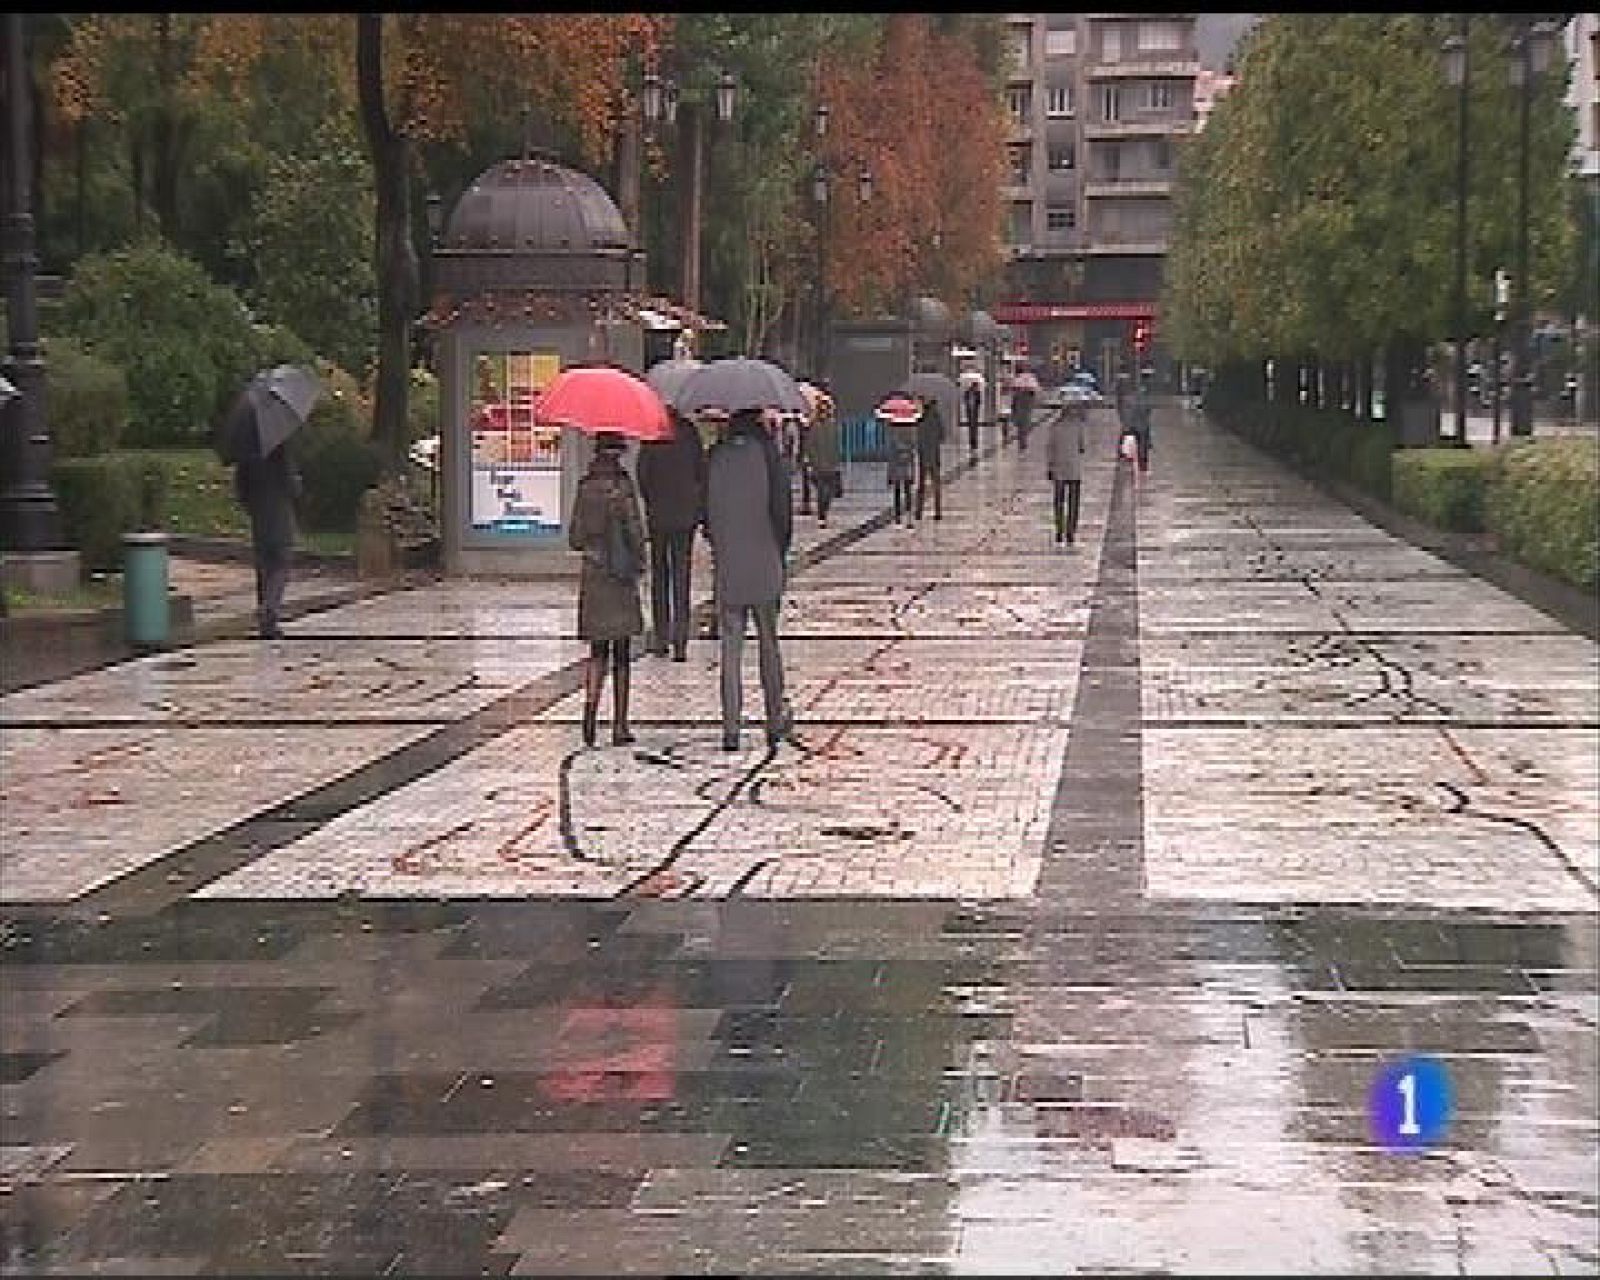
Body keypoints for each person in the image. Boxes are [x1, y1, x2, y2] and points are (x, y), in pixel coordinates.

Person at [705, 407, 794, 753]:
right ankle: (774, 717)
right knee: (769, 642)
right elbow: (782, 512)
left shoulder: (715, 458)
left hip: (729, 564)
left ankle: (731, 727)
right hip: (765, 559)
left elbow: (707, 515)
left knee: (730, 647)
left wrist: (721, 544)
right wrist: (778, 550)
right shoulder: (769, 457)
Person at [568, 432, 646, 747]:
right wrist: (640, 562)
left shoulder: (585, 487)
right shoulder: (622, 487)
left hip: (594, 574)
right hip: (619, 576)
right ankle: (620, 724)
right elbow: (635, 531)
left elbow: (575, 538)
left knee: (597, 650)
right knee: (622, 653)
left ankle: (590, 711)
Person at [636, 409, 706, 662]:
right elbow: (701, 473)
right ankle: (680, 640)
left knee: (660, 576)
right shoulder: (690, 433)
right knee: (681, 576)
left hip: (659, 516)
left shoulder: (653, 433)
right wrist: (696, 506)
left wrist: (653, 500)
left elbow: (643, 475)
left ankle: (661, 637)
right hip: (685, 517)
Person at [233, 440, 301, 640]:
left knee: (263, 568)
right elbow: (292, 487)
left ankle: (265, 623)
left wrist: (252, 506)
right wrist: (297, 482)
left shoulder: (246, 454)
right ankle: (269, 609)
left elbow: (241, 490)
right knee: (281, 564)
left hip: (259, 517)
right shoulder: (281, 450)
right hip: (280, 516)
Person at [1044, 389, 1088, 546]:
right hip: (1074, 469)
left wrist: (1050, 466)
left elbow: (1050, 448)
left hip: (1058, 469)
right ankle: (1071, 532)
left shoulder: (1054, 427)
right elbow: (1082, 447)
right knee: (1073, 502)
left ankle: (1059, 530)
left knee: (1058, 502)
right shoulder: (1079, 426)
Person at [805, 388, 842, 527]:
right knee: (822, 490)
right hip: (819, 465)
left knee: (829, 491)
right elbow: (810, 446)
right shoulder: (814, 426)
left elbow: (835, 445)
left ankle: (823, 512)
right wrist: (813, 462)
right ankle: (822, 516)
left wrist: (836, 461)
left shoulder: (832, 425)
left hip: (831, 464)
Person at [914, 393, 944, 522]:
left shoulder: (920, 419)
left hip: (924, 455)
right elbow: (942, 435)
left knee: (922, 485)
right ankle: (937, 511)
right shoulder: (936, 417)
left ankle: (919, 511)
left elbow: (917, 436)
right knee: (935, 484)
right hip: (934, 455)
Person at [886, 409, 917, 526]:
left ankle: (898, 516)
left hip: (898, 466)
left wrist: (889, 475)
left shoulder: (893, 433)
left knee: (898, 491)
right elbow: (912, 449)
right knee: (906, 491)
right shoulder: (910, 431)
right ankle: (908, 516)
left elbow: (891, 455)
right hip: (906, 466)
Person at [1119, 378, 1153, 474]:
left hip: (1133, 427)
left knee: (1132, 446)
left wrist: (1126, 426)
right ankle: (1143, 465)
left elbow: (1125, 414)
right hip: (1142, 427)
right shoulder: (1145, 400)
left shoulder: (1128, 400)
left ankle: (1131, 462)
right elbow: (1148, 412)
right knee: (1142, 446)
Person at [1012, 376, 1036, 452]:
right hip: (1024, 409)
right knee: (1023, 427)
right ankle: (1023, 445)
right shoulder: (1030, 379)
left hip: (1022, 409)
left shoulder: (1019, 380)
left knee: (1022, 427)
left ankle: (1022, 445)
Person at [962, 377, 982, 458]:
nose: (977, 388)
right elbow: (965, 400)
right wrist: (968, 404)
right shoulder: (967, 392)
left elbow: (979, 402)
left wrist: (976, 403)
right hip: (969, 411)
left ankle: (974, 443)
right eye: (976, 387)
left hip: (975, 412)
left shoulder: (978, 393)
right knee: (971, 427)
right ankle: (972, 442)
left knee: (974, 428)